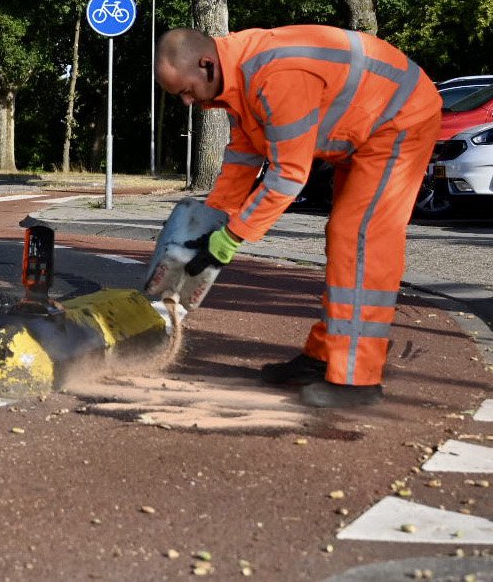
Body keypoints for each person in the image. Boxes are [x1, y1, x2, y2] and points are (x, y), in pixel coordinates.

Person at [154, 25, 441, 408]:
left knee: (358, 237)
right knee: (345, 243)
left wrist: (230, 238)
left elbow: (289, 174)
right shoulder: (237, 80)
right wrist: (210, 222)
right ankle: (326, 356)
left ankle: (357, 381)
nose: (187, 102)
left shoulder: (275, 75)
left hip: (399, 120)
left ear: (206, 65)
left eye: (185, 90)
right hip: (363, 128)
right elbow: (243, 159)